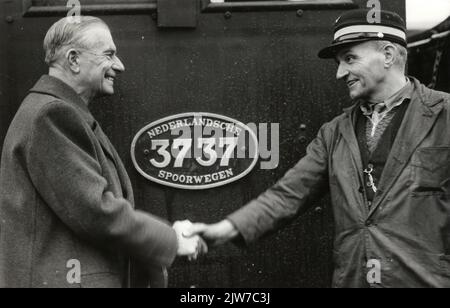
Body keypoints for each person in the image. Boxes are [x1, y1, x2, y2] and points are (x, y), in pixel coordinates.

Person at [189, 9, 450, 288]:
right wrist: (225, 229)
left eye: (350, 58)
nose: (340, 73)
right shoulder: (335, 132)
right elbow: (288, 194)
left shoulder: (444, 114)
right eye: (339, 63)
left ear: (387, 55)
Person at [0, 16, 205, 288]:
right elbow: (94, 210)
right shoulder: (52, 115)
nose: (119, 65)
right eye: (109, 54)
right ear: (73, 60)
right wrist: (171, 239)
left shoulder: (57, 111)